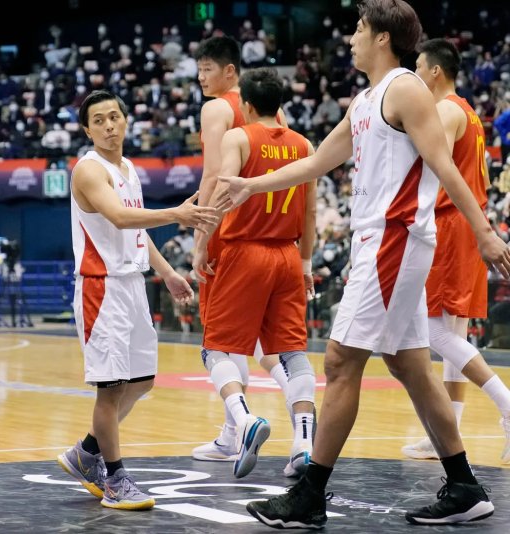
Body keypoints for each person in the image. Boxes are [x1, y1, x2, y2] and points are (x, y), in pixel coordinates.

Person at [214, 0, 510, 527]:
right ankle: (464, 485)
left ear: (381, 38)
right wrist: (249, 186)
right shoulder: (366, 99)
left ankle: (309, 494)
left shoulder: (405, 88)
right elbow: (315, 162)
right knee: (411, 366)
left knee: (339, 360)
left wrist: (485, 232)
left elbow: (443, 165)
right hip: (381, 242)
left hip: (394, 240)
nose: (349, 36)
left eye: (358, 27)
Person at [56, 90, 218, 511]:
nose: (109, 125)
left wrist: (166, 273)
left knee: (142, 380)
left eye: (114, 117)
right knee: (109, 393)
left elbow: (136, 234)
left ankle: (85, 453)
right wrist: (177, 215)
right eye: (99, 120)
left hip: (131, 284)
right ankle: (114, 478)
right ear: (87, 129)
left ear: (126, 122)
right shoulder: (88, 170)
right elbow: (121, 217)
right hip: (101, 287)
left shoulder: (128, 167)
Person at [194, 67, 318, 480]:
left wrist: (199, 245)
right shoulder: (304, 144)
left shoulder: (239, 137)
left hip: (245, 252)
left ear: (245, 104)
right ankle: (304, 444)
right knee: (291, 351)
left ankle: (244, 421)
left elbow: (221, 191)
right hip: (287, 254)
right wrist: (305, 263)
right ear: (278, 104)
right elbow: (311, 211)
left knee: (216, 348)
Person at [400, 39, 510, 462]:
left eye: (419, 68)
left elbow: (434, 167)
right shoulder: (469, 114)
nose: (415, 77)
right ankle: (448, 434)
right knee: (454, 335)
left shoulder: (444, 111)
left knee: (432, 332)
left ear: (435, 72)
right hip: (468, 222)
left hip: (450, 223)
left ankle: (505, 403)